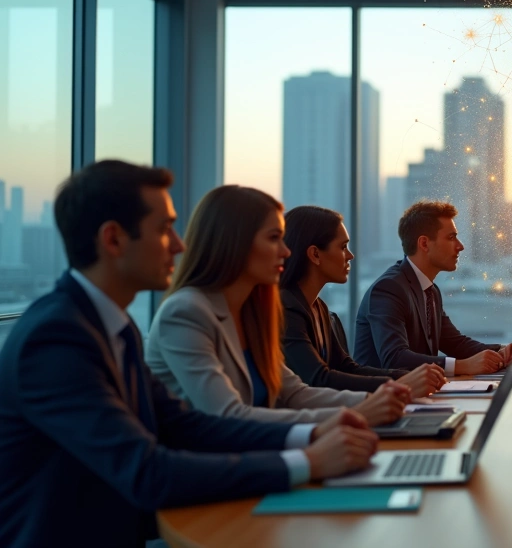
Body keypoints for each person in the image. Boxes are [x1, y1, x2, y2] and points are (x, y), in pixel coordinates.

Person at [0, 161, 377, 546]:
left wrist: (314, 432)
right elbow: (147, 471)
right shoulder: (56, 338)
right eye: (164, 230)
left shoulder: (114, 326)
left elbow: (188, 426)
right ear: (113, 240)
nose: (179, 245)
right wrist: (307, 461)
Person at [145, 185, 411, 426]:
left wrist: (375, 401)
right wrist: (358, 413)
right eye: (273, 238)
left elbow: (295, 393)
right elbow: (228, 415)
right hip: (215, 471)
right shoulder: (186, 313)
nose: (285, 251)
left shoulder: (253, 311)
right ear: (235, 243)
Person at [280, 205, 446, 395]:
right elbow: (318, 379)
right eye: (343, 247)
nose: (350, 255)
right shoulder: (287, 309)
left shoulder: (319, 307)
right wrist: (400, 383)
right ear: (315, 254)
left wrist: (403, 377)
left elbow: (347, 367)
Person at [353, 201, 512, 375]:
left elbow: (455, 343)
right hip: (383, 398)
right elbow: (395, 358)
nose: (460, 246)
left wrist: (500, 351)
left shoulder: (430, 291)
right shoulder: (388, 289)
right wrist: (463, 366)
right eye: (451, 237)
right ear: (424, 244)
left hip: (417, 395)